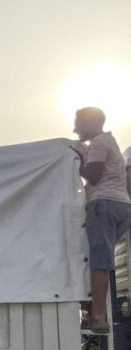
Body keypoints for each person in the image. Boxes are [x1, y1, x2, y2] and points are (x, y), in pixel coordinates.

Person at [72, 107, 131, 334]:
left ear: (90, 122)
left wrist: (76, 160)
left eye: (78, 123)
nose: (75, 129)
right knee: (95, 258)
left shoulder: (99, 142)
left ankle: (98, 317)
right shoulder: (109, 142)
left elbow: (93, 175)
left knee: (98, 260)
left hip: (103, 204)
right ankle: (93, 311)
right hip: (121, 206)